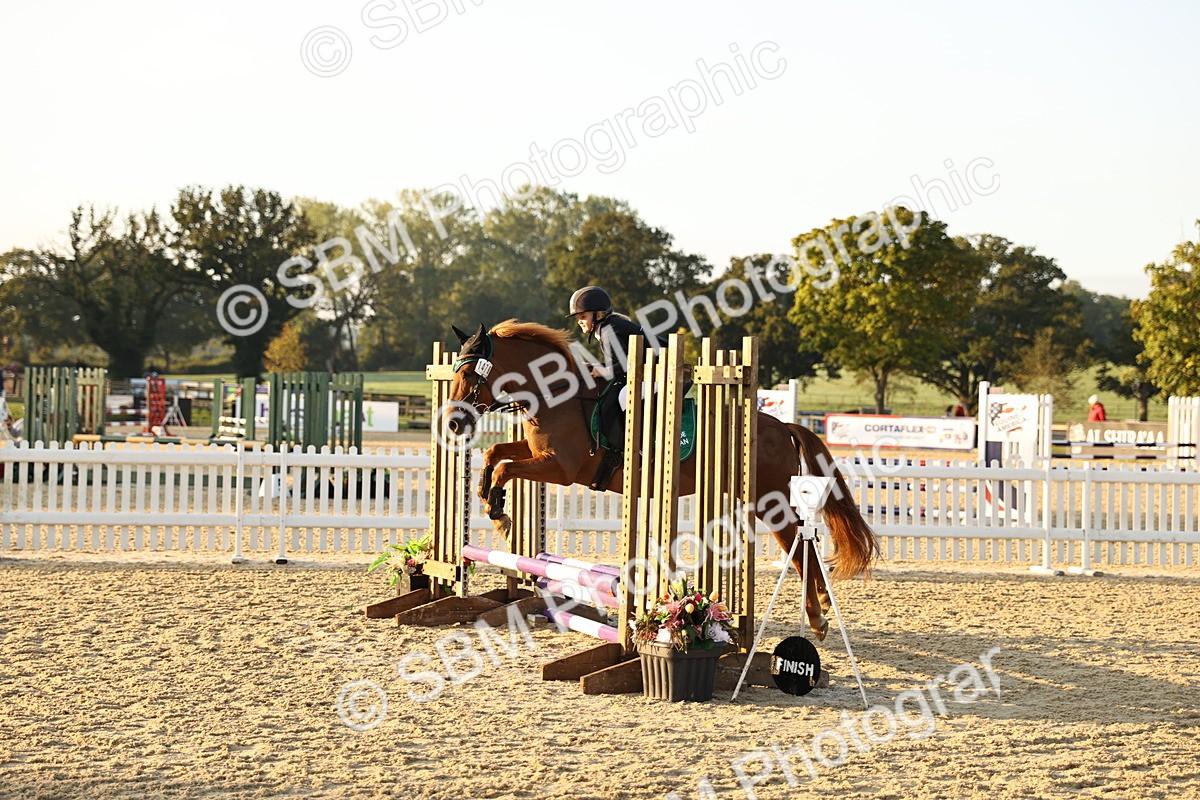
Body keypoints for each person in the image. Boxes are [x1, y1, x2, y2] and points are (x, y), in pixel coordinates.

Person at [566, 286, 662, 489]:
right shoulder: (608, 328)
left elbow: (628, 364)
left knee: (623, 397)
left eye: (582, 316)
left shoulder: (610, 330)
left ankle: (645, 451)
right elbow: (622, 363)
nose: (579, 321)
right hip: (649, 371)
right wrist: (597, 367)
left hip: (665, 372)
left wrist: (601, 370)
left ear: (598, 314)